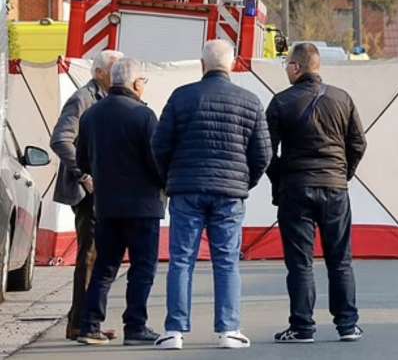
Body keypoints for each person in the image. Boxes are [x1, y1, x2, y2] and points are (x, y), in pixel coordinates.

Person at [152, 40, 270, 350]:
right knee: (227, 260)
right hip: (230, 194)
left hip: (186, 190)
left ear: (202, 65)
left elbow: (160, 145)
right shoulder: (250, 101)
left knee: (181, 260)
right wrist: (245, 181)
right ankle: (228, 330)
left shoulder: (181, 97)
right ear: (232, 65)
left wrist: (170, 178)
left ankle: (174, 331)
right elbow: (263, 154)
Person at [266, 42, 367, 344]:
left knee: (300, 262)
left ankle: (302, 327)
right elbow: (358, 144)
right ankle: (347, 325)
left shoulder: (281, 102)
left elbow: (266, 151)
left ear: (296, 68)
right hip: (335, 189)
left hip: (296, 190)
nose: (286, 69)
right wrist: (342, 173)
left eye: (287, 65)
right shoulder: (342, 98)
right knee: (340, 261)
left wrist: (282, 178)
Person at [75, 58, 164, 346]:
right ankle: (135, 326)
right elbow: (156, 161)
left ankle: (90, 325)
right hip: (143, 206)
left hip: (107, 204)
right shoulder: (144, 116)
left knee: (104, 267)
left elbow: (82, 160)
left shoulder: (91, 115)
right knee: (142, 267)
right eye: (143, 81)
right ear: (135, 83)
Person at [50, 49, 123, 341]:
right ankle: (81, 324)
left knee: (97, 254)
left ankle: (84, 319)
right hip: (86, 193)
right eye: (114, 70)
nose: (119, 76)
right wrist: (83, 174)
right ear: (100, 73)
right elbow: (60, 139)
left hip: (101, 191)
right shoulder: (83, 98)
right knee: (90, 255)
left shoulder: (104, 98)